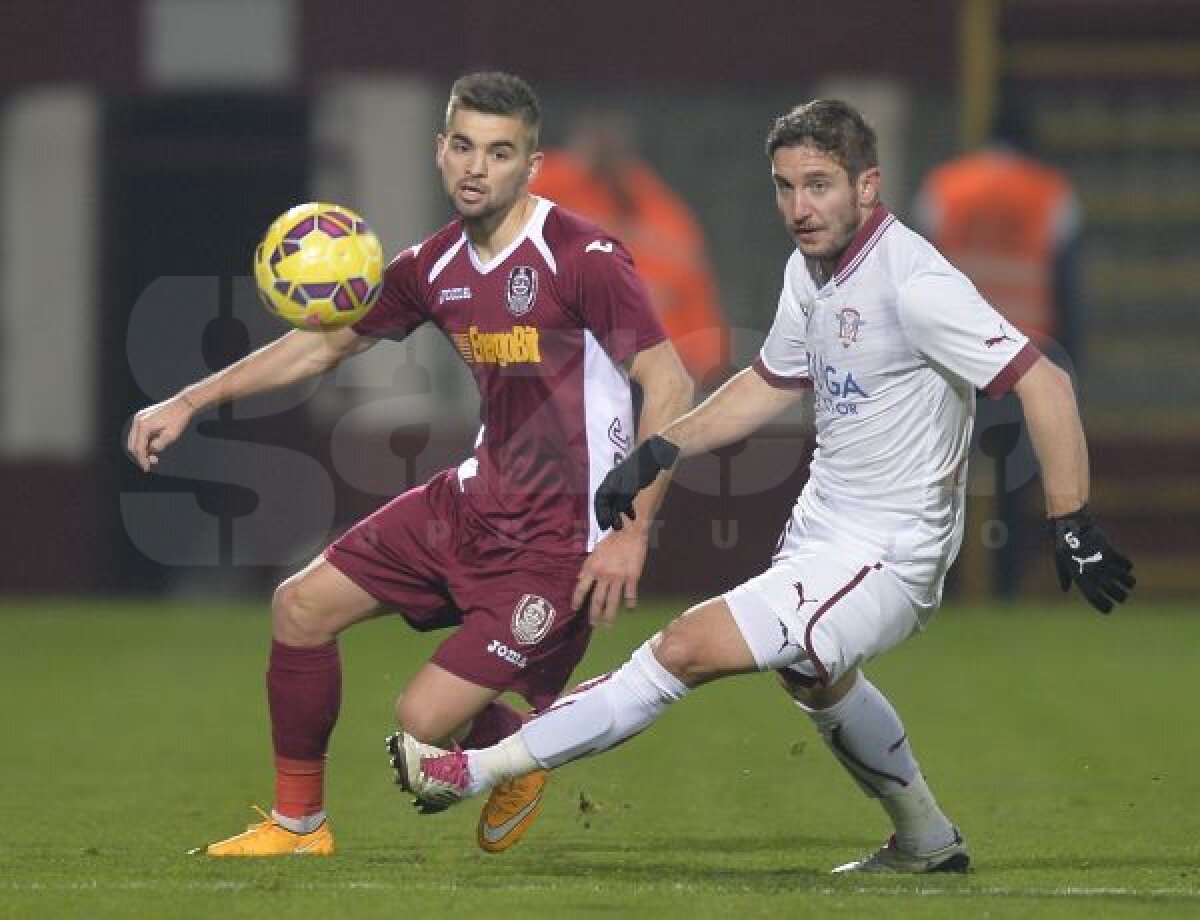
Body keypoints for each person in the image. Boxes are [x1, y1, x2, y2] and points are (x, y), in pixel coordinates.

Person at [389, 99, 1135, 873]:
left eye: (819, 186)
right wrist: (660, 449)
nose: (799, 208)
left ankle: (477, 769)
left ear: (867, 186)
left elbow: (1045, 382)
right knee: (817, 681)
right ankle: (925, 840)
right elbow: (767, 382)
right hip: (821, 531)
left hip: (889, 554)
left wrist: (1070, 522)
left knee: (683, 649)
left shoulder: (914, 283)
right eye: (785, 188)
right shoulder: (809, 271)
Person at [126, 72, 693, 856]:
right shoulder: (435, 265)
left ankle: (521, 749)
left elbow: (670, 382)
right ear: (440, 149)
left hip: (557, 542)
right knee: (299, 608)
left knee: (421, 730)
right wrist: (188, 401)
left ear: (530, 167)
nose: (476, 167)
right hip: (470, 503)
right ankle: (299, 827)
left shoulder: (583, 256)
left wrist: (630, 531)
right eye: (463, 146)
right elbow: (327, 343)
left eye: (499, 153)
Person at [914, 98, 1085, 597]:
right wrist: (1071, 364)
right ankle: (1005, 589)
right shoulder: (1051, 194)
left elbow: (914, 272)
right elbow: (1068, 288)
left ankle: (937, 588)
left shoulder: (944, 187)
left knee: (944, 480)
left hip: (950, 359)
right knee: (1013, 486)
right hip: (1023, 359)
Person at [531, 111, 729, 387]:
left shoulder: (663, 213)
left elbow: (694, 295)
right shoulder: (560, 187)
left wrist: (703, 360)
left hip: (650, 368)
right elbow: (511, 202)